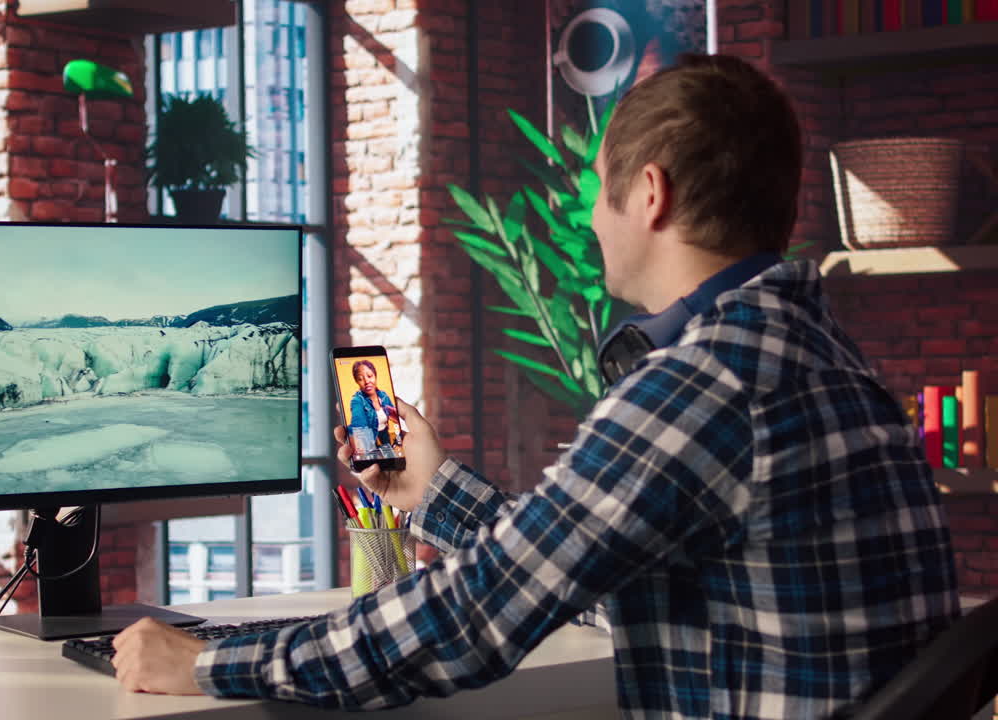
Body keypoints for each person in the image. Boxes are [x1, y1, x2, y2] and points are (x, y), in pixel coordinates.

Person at [110, 53, 959, 718]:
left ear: (651, 194)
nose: (592, 217)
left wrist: (208, 662)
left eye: (598, 188)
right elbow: (589, 557)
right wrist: (438, 491)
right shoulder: (819, 356)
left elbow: (473, 619)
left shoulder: (703, 385)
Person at [347, 359, 400, 450]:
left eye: (369, 376)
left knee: (388, 452)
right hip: (370, 436)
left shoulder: (383, 396)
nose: (367, 381)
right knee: (373, 457)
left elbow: (395, 416)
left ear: (375, 376)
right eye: (360, 379)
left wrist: (399, 437)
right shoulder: (357, 400)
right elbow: (358, 422)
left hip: (384, 431)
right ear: (357, 382)